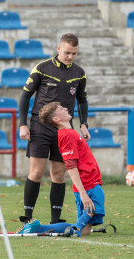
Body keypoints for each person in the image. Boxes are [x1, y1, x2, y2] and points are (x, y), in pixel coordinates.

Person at [18, 33, 90, 225]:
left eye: (74, 53)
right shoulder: (42, 68)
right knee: (36, 172)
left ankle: (55, 220)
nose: (70, 57)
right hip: (40, 127)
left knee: (59, 173)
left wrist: (84, 124)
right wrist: (23, 124)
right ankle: (28, 218)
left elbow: (82, 100)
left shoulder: (79, 73)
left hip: (64, 130)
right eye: (67, 52)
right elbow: (25, 96)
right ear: (58, 49)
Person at [16, 101, 104, 237]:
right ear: (56, 119)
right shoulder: (67, 135)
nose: (65, 108)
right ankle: (76, 229)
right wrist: (83, 193)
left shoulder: (69, 132)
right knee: (91, 209)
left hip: (87, 183)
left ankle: (38, 228)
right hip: (88, 183)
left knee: (86, 230)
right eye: (61, 109)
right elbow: (71, 166)